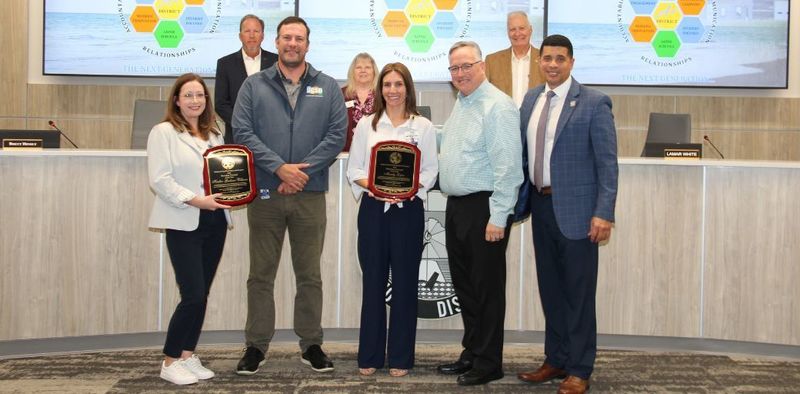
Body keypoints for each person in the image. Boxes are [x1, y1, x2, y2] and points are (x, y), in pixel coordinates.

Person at [231, 16, 347, 375]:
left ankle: (311, 343)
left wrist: (301, 172)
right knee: (260, 274)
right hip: (265, 191)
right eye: (286, 38)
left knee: (309, 274)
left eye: (299, 38)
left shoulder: (327, 87)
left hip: (309, 193)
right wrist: (280, 168)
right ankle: (256, 345)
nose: (292, 43)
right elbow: (242, 131)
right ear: (276, 43)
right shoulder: (254, 85)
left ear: (307, 45)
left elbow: (336, 135)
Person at [514, 34, 618, 394]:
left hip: (578, 212)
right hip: (540, 207)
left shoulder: (593, 103)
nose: (553, 64)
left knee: (578, 292)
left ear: (571, 62)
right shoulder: (531, 99)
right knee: (551, 289)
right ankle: (556, 358)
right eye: (547, 58)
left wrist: (603, 213)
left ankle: (579, 368)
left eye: (560, 58)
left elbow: (607, 164)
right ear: (539, 62)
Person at [436, 41, 523, 386]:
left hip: (485, 209)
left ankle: (489, 363)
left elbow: (509, 168)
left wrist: (499, 216)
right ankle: (472, 352)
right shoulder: (463, 102)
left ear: (482, 65)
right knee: (466, 287)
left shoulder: (497, 107)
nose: (460, 74)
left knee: (486, 290)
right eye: (454, 69)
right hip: (458, 207)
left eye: (466, 66)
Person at [346, 63, 439, 378]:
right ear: (379, 89)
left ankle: (400, 357)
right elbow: (354, 170)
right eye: (387, 84)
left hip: (408, 212)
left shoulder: (423, 126)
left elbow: (430, 171)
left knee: (404, 285)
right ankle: (369, 354)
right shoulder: (367, 126)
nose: (393, 90)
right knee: (372, 283)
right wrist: (375, 186)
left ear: (407, 88)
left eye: (399, 84)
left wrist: (408, 191)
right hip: (373, 211)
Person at [146, 73, 232, 385]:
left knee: (203, 292)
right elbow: (160, 179)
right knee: (192, 293)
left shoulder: (214, 134)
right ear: (177, 100)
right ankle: (169, 360)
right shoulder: (163, 132)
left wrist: (231, 194)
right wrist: (195, 200)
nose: (195, 100)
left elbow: (223, 174)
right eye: (189, 95)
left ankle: (186, 354)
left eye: (200, 95)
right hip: (184, 219)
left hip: (214, 221)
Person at [215, 14, 278, 144]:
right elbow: (221, 104)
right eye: (247, 31)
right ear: (240, 36)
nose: (252, 35)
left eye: (256, 31)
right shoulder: (225, 63)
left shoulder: (276, 62)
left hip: (270, 136)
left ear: (263, 36)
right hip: (237, 135)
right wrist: (242, 123)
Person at [484, 11, 545, 107]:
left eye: (522, 28)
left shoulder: (544, 60)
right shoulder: (492, 61)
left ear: (530, 30)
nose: (517, 33)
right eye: (512, 29)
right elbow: (483, 96)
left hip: (534, 120)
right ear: (508, 33)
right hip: (502, 120)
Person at [341, 53, 378, 152]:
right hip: (347, 152)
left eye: (367, 67)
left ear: (374, 71)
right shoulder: (341, 94)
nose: (363, 70)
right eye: (358, 67)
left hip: (375, 150)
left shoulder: (382, 94)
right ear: (352, 72)